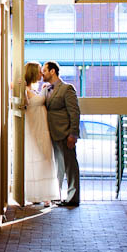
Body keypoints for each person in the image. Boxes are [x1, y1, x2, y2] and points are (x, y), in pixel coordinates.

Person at [41, 61, 81, 207]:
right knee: (58, 166)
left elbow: (74, 112)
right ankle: (56, 195)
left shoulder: (67, 88)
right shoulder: (45, 89)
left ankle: (73, 198)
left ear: (52, 71)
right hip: (51, 134)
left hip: (65, 133)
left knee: (70, 166)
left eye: (44, 71)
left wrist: (73, 134)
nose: (42, 74)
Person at [22, 61, 59, 205]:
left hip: (43, 128)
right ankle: (35, 194)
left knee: (45, 159)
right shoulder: (24, 89)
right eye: (39, 71)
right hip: (33, 128)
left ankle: (45, 195)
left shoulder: (37, 89)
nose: (41, 73)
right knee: (35, 159)